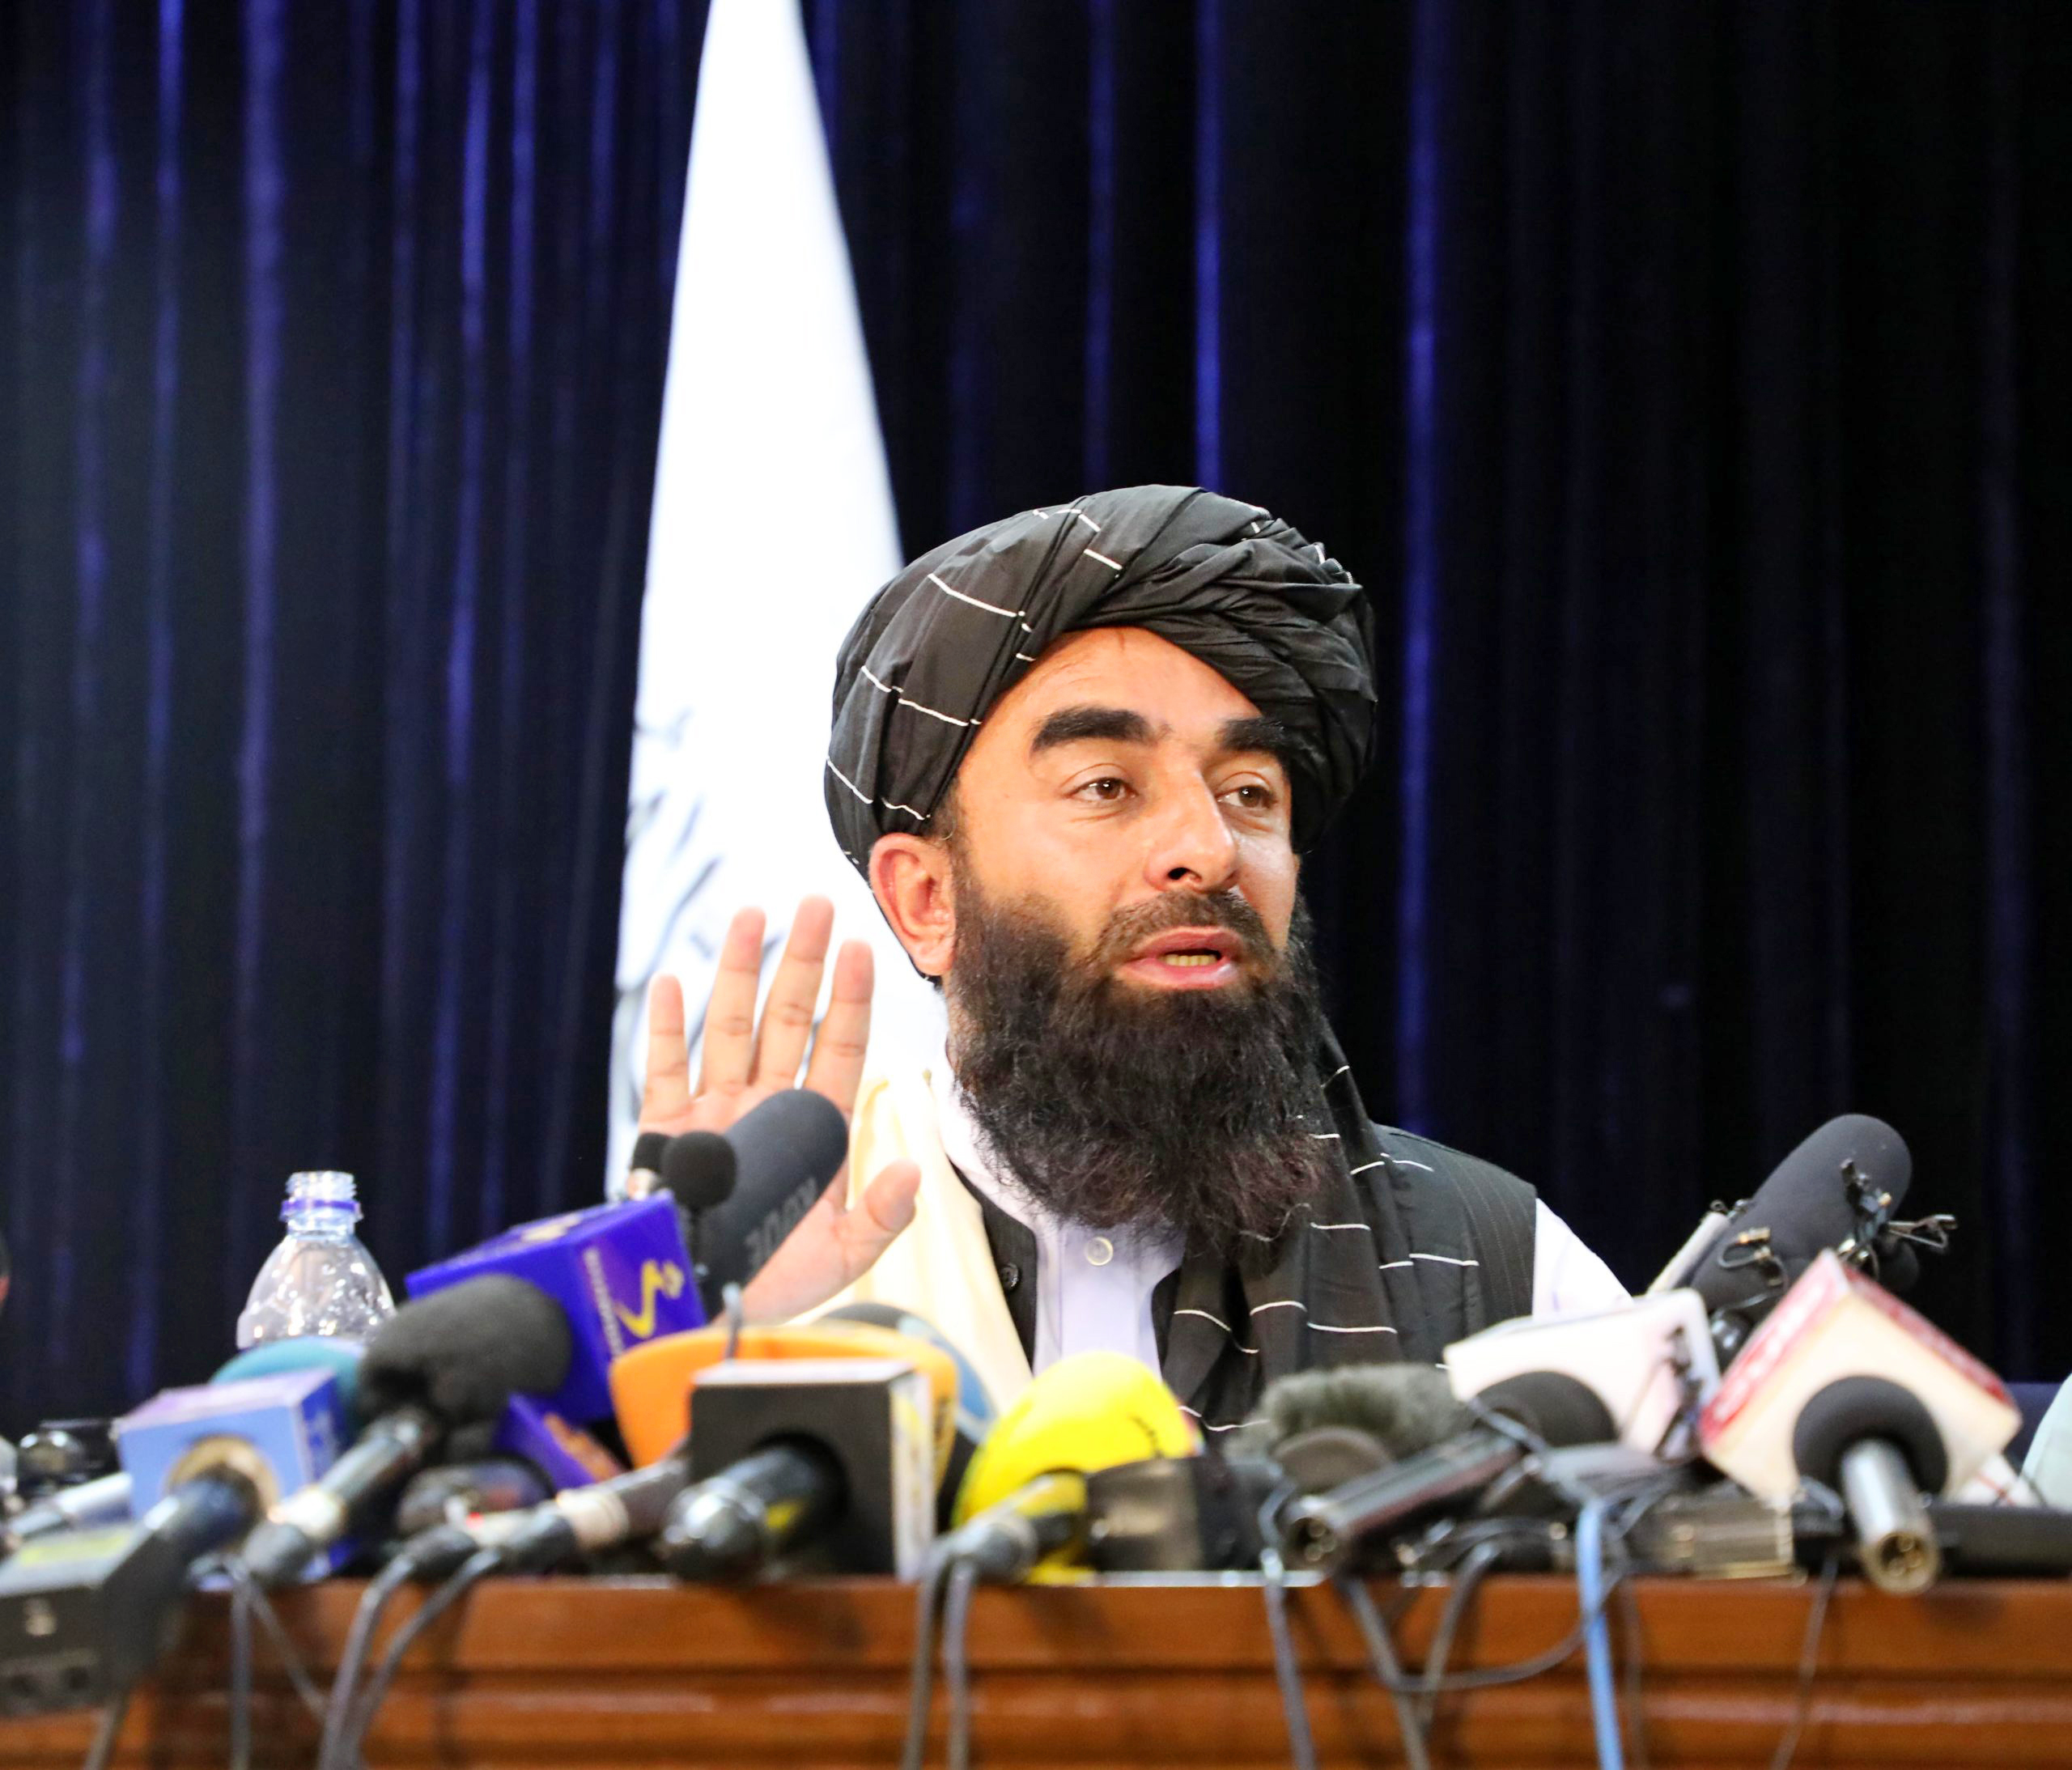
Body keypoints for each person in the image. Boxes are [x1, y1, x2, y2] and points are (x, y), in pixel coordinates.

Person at [635, 486, 1625, 1433]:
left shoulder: (1497, 1273)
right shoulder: (764, 1249)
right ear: (927, 900)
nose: (1209, 849)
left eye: (1248, 793)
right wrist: (684, 1338)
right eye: (1106, 786)